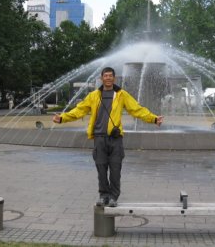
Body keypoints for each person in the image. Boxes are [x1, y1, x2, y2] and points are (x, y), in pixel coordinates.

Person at [53, 67, 164, 207]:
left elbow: (136, 109)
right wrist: (62, 118)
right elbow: (79, 110)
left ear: (114, 78)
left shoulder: (121, 94)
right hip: (99, 138)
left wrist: (153, 119)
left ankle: (113, 197)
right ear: (101, 78)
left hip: (115, 139)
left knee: (115, 169)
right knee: (101, 168)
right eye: (105, 76)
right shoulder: (94, 96)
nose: (108, 78)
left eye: (110, 76)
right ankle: (103, 195)